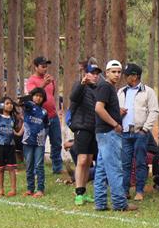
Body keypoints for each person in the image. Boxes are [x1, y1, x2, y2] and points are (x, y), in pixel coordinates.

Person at [93, 60, 136, 212]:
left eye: (119, 72)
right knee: (115, 168)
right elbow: (99, 108)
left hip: (102, 133)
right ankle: (119, 203)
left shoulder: (106, 87)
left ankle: (100, 203)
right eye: (113, 71)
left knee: (102, 169)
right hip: (109, 133)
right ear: (107, 73)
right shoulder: (106, 86)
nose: (117, 74)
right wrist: (115, 124)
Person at [117, 63, 159, 201]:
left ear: (135, 76)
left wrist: (145, 129)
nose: (125, 77)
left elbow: (154, 111)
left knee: (140, 162)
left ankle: (139, 191)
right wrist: (118, 115)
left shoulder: (148, 92)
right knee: (125, 163)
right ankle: (125, 190)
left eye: (127, 75)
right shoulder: (121, 92)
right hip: (125, 132)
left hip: (140, 132)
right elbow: (115, 109)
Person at [68, 58, 101, 206]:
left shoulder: (98, 89)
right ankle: (78, 193)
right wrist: (82, 84)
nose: (95, 76)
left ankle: (84, 191)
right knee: (81, 160)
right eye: (92, 73)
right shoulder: (80, 86)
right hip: (82, 128)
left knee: (89, 161)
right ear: (86, 74)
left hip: (94, 129)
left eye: (97, 73)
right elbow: (73, 97)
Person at [25, 56, 63, 174]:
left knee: (56, 142)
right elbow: (32, 95)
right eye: (42, 66)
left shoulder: (50, 80)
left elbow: (52, 95)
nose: (45, 69)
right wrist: (44, 84)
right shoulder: (32, 80)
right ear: (36, 67)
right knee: (39, 143)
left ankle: (57, 168)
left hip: (53, 115)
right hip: (39, 118)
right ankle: (37, 169)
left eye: (46, 66)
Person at [21, 87, 50, 197]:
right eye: (36, 95)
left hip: (39, 143)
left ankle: (40, 189)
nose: (38, 98)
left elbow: (46, 125)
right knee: (29, 165)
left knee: (39, 165)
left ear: (43, 99)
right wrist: (29, 96)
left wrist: (42, 136)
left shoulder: (44, 112)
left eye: (40, 96)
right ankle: (30, 188)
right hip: (27, 141)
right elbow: (21, 102)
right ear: (32, 96)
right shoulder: (28, 106)